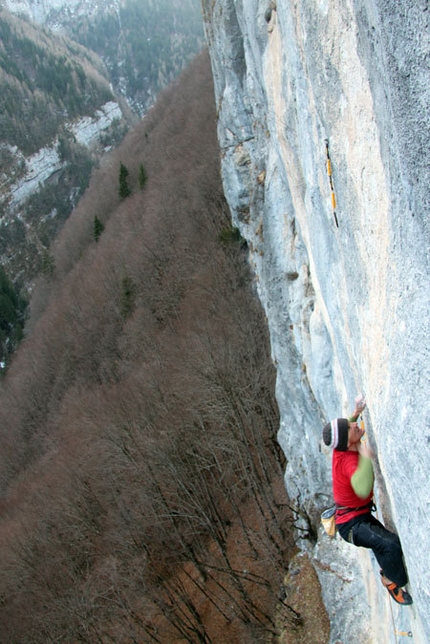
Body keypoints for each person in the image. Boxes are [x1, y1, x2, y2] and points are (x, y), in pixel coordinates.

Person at [322, 396, 412, 605]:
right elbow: (362, 488)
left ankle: (388, 572)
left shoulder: (342, 443)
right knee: (390, 545)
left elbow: (345, 428)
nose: (355, 425)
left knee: (380, 542)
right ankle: (391, 580)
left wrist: (356, 411)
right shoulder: (347, 463)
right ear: (347, 442)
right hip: (352, 525)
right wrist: (365, 456)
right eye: (353, 428)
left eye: (353, 424)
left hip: (356, 516)